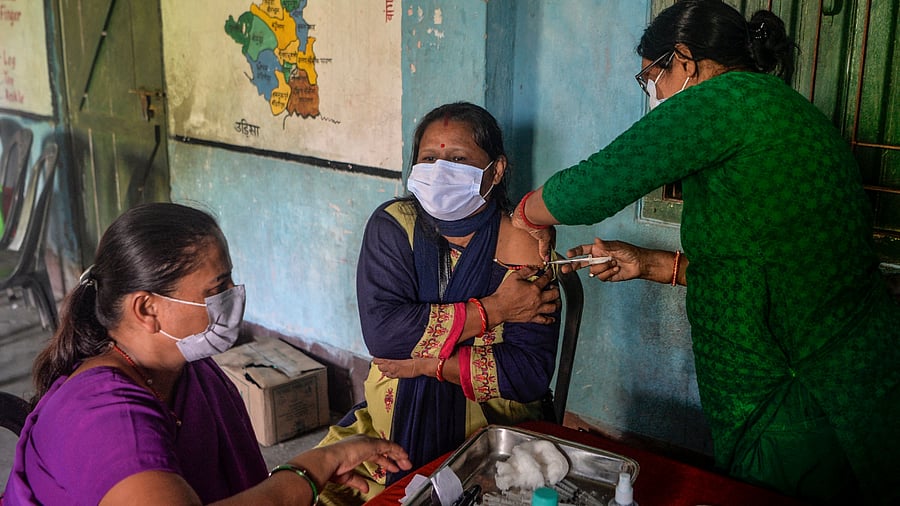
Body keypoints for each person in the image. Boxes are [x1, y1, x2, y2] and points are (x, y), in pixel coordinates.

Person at [510, 1, 900, 505]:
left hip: (798, 386)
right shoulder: (785, 110)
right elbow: (759, 263)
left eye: (652, 77)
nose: (656, 93)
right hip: (847, 374)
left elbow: (594, 186)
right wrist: (648, 263)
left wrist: (526, 214)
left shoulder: (722, 101)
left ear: (686, 62)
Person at [2, 202, 412, 505]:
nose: (232, 299)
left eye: (230, 281)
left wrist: (323, 467)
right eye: (215, 290)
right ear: (147, 309)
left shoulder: (189, 373)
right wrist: (310, 470)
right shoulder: (106, 417)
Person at [316, 102, 562, 504]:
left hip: (494, 439)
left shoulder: (523, 240)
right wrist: (494, 310)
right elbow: (386, 336)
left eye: (458, 159)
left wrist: (428, 364)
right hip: (391, 425)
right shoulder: (394, 225)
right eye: (428, 158)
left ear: (495, 171)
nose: (440, 169)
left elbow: (529, 373)